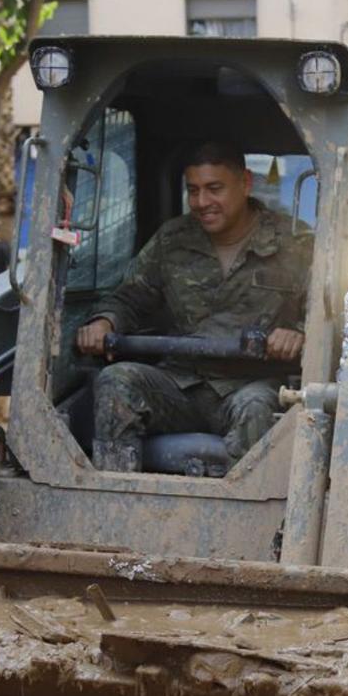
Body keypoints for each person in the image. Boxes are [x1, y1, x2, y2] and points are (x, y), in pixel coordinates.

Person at [75, 141, 310, 472]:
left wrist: (298, 333)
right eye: (193, 190)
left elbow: (328, 313)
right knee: (117, 380)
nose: (201, 202)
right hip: (180, 384)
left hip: (250, 384)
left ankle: (250, 518)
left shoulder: (296, 243)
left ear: (245, 183)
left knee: (257, 408)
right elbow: (130, 296)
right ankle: (115, 499)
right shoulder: (173, 240)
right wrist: (105, 322)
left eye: (214, 189)